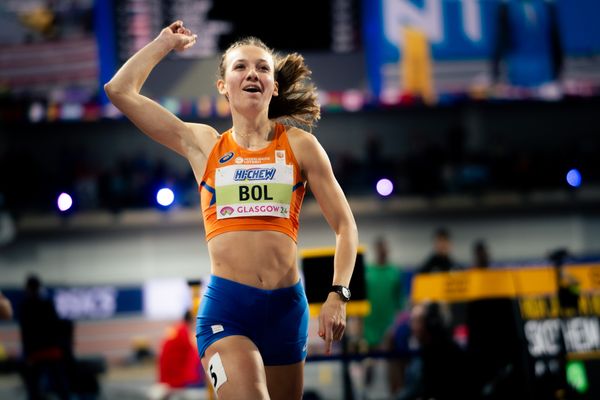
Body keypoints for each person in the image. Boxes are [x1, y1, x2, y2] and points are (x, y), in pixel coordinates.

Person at [104, 20, 358, 400]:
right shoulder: (203, 144)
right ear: (223, 85)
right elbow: (119, 90)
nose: (252, 74)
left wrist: (338, 294)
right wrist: (163, 43)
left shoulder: (301, 146)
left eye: (263, 68)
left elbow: (345, 226)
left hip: (287, 309)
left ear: (273, 86)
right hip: (228, 311)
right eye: (240, 66)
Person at [17, 274, 71, 400]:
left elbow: (25, 333)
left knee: (34, 387)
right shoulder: (47, 304)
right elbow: (57, 326)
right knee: (60, 385)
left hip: (35, 353)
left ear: (27, 288)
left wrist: (27, 354)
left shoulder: (25, 306)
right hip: (52, 350)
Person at [362, 236, 403, 396]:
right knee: (369, 366)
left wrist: (396, 327)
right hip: (369, 328)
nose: (383, 251)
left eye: (385, 248)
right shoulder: (367, 272)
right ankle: (364, 393)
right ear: (376, 249)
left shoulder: (394, 272)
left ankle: (396, 394)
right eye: (380, 248)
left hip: (389, 328)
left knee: (392, 366)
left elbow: (400, 303)